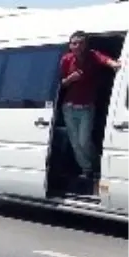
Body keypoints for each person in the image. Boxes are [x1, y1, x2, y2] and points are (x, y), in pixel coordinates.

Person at [59, 31, 121, 185]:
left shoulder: (92, 56)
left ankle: (97, 165)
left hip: (87, 107)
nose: (77, 46)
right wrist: (70, 79)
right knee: (75, 143)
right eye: (74, 43)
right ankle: (87, 170)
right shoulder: (66, 60)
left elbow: (106, 60)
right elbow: (59, 84)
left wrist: (115, 64)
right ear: (70, 45)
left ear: (86, 44)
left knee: (84, 141)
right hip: (69, 107)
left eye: (81, 43)